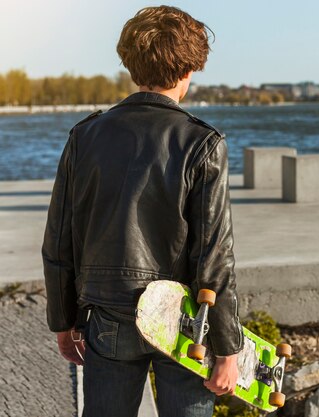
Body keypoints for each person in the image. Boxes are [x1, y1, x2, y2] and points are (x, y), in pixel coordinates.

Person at [41, 5, 243, 417]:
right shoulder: (201, 143)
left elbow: (59, 239)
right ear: (190, 69)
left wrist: (63, 320)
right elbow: (214, 258)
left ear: (131, 66)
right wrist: (227, 348)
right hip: (185, 324)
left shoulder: (85, 135)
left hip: (108, 315)